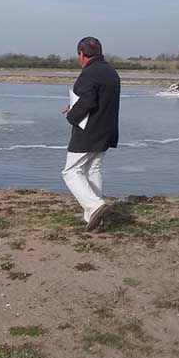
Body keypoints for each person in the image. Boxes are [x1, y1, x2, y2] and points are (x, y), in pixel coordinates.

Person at [62, 36, 121, 231]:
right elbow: (95, 99)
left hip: (88, 131)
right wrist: (75, 107)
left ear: (81, 54)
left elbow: (88, 102)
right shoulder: (111, 72)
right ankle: (93, 218)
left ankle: (95, 206)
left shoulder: (89, 73)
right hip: (107, 130)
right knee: (92, 170)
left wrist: (72, 115)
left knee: (70, 172)